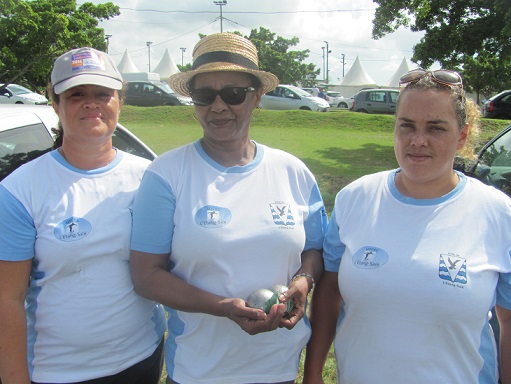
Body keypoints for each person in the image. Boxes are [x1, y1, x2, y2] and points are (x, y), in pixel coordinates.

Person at [129, 32, 327, 384]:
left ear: (257, 97)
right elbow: (146, 277)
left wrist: (303, 280)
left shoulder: (293, 171)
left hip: (277, 368)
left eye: (234, 94)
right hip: (198, 370)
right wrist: (222, 307)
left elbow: (314, 249)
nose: (218, 107)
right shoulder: (166, 175)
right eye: (205, 95)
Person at [303, 68, 511, 384]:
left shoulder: (498, 213)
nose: (417, 141)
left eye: (436, 128)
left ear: (462, 135)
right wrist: (313, 374)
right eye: (407, 126)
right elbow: (330, 290)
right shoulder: (355, 198)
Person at [0, 47, 166, 384]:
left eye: (103, 94)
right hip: (57, 372)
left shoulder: (150, 177)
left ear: (119, 101)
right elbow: (8, 298)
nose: (92, 103)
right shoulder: (20, 190)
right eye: (77, 94)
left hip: (143, 358)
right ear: (55, 104)